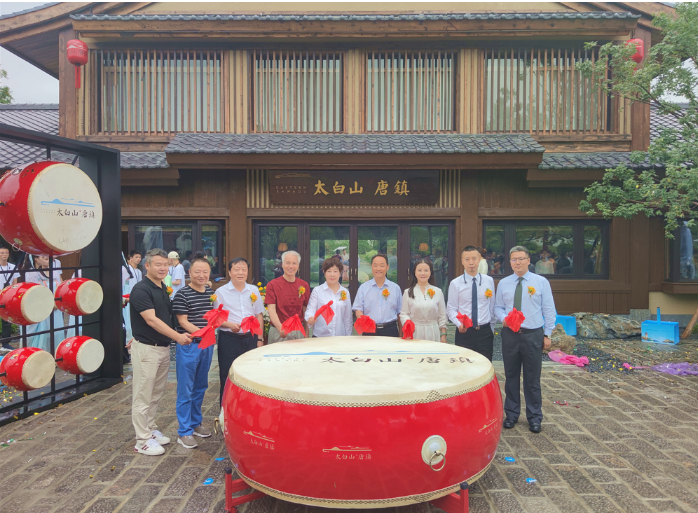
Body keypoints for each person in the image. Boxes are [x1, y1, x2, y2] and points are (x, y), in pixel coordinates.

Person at [129, 248, 192, 456]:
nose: (163, 268)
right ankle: (142, 440)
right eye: (158, 264)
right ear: (147, 266)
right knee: (142, 395)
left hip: (162, 348)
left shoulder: (163, 287)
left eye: (165, 264)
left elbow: (165, 316)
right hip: (147, 350)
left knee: (155, 394)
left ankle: (150, 428)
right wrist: (177, 337)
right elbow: (151, 320)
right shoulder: (141, 289)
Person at [494, 246, 556, 434]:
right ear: (510, 262)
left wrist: (547, 334)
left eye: (521, 258)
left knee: (532, 379)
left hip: (533, 335)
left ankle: (534, 417)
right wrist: (504, 319)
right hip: (510, 335)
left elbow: (549, 309)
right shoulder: (504, 283)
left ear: (528, 260)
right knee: (511, 376)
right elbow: (498, 307)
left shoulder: (541, 282)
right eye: (514, 259)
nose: (518, 262)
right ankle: (511, 415)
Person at [172, 257, 216, 449]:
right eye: (197, 271)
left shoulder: (210, 293)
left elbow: (214, 317)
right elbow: (183, 321)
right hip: (190, 345)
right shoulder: (182, 294)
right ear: (189, 273)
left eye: (205, 272)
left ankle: (195, 423)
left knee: (200, 386)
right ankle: (184, 431)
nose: (201, 275)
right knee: (185, 388)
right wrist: (203, 333)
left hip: (207, 346)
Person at [215, 257, 264, 403]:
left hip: (250, 338)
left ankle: (248, 406)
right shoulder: (221, 292)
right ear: (230, 272)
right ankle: (226, 408)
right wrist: (230, 325)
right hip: (229, 339)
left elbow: (258, 315)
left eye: (244, 269)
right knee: (227, 374)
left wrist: (260, 339)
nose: (240, 273)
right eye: (236, 269)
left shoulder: (253, 290)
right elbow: (217, 318)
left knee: (251, 374)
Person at [447, 246, 496, 361]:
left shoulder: (488, 281)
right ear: (462, 261)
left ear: (479, 260)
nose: (471, 262)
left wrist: (491, 329)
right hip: (464, 332)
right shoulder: (455, 283)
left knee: (485, 364)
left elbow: (492, 306)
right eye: (467, 259)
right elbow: (451, 309)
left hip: (485, 332)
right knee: (464, 366)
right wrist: (459, 324)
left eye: (474, 258)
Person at [265, 251, 310, 343]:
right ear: (282, 264)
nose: (291, 266)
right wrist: (280, 329)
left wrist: (306, 333)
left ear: (298, 265)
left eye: (294, 263)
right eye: (288, 263)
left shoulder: (304, 285)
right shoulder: (273, 285)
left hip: (298, 331)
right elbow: (271, 310)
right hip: (279, 331)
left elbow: (305, 310)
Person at [353, 254, 402, 337]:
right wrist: (364, 320)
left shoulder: (395, 288)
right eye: (375, 265)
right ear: (371, 267)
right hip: (369, 329)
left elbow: (400, 312)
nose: (378, 268)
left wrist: (401, 333)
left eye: (382, 266)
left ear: (387, 267)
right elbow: (358, 309)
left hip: (390, 329)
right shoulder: (363, 288)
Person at [399, 258, 447, 342]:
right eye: (419, 270)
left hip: (433, 330)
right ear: (415, 272)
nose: (423, 273)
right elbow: (404, 313)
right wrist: (408, 323)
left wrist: (443, 334)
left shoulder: (438, 291)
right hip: (415, 331)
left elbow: (442, 315)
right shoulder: (408, 292)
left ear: (430, 272)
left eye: (426, 270)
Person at [25, 255, 65, 352]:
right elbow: (33, 291)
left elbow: (60, 285)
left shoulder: (54, 271)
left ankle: (55, 352)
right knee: (44, 330)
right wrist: (47, 303)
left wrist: (57, 301)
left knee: (56, 329)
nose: (48, 261)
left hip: (55, 305)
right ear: (36, 259)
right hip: (42, 305)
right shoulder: (32, 273)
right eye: (44, 258)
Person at [306, 258, 352, 337]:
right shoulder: (317, 291)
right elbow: (311, 309)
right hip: (320, 337)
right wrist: (310, 317)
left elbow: (348, 318)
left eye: (335, 271)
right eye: (329, 271)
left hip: (339, 337)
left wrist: (349, 337)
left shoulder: (345, 292)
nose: (332, 275)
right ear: (324, 272)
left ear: (340, 273)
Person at [0, 247, 17, 353]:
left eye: (6, 253)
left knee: (6, 319)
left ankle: (5, 343)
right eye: (2, 253)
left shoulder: (12, 266)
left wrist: (11, 292)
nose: (4, 255)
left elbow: (15, 282)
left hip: (8, 295)